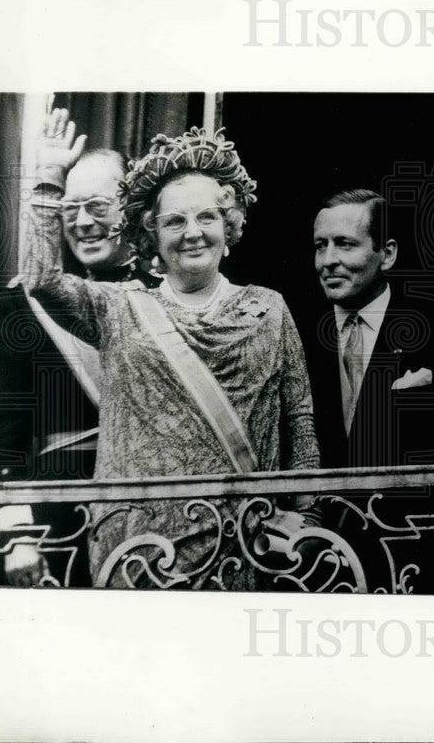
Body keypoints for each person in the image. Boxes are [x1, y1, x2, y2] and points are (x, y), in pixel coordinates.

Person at [23, 109, 319, 588]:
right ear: (152, 236)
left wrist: (311, 520)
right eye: (174, 221)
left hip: (243, 544)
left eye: (207, 216)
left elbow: (299, 419)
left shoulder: (269, 309)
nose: (193, 231)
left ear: (230, 226)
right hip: (138, 551)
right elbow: (40, 279)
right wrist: (49, 178)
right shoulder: (116, 308)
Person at [0, 142, 160, 587]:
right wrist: (18, 536)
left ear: (133, 208)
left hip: (157, 517)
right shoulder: (23, 303)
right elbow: (4, 438)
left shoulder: (167, 296)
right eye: (70, 208)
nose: (83, 223)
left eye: (98, 206)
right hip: (57, 525)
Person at [306, 188, 434, 469]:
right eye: (321, 245)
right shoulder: (298, 333)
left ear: (387, 254)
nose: (328, 260)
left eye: (345, 244)